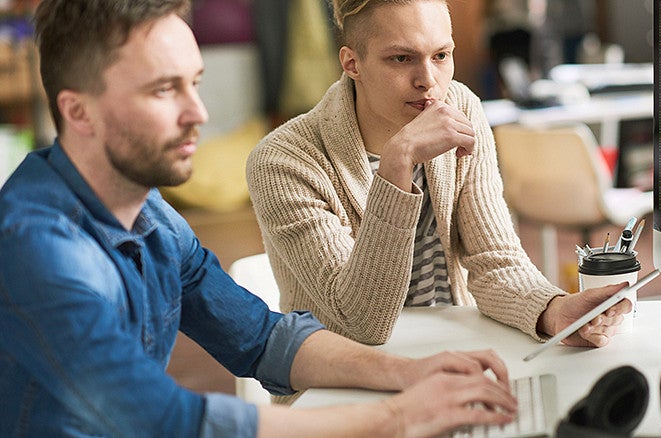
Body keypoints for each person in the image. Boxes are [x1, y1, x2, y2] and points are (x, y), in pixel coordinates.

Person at [0, 0, 520, 436]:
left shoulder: (149, 215)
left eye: (194, 83)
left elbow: (262, 339)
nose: (198, 113)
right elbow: (167, 419)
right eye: (163, 90)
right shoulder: (35, 246)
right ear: (78, 112)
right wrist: (395, 416)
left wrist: (409, 372)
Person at [246, 0, 632, 347]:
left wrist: (554, 311)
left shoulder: (460, 106)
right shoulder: (282, 162)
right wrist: (398, 163)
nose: (428, 81)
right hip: (337, 380)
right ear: (352, 63)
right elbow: (360, 322)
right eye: (401, 59)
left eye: (441, 55)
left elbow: (495, 261)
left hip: (446, 354)